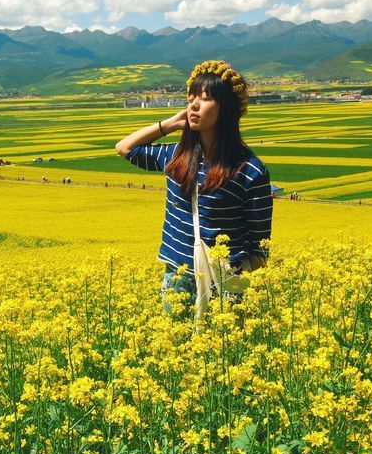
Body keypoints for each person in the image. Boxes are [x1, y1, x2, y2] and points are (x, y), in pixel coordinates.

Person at [115, 59, 272, 318]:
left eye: (205, 98)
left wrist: (250, 298)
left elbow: (259, 246)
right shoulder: (176, 157)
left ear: (228, 109)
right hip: (178, 277)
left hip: (226, 282)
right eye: (190, 99)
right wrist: (170, 124)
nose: (194, 106)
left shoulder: (250, 170)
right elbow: (124, 148)